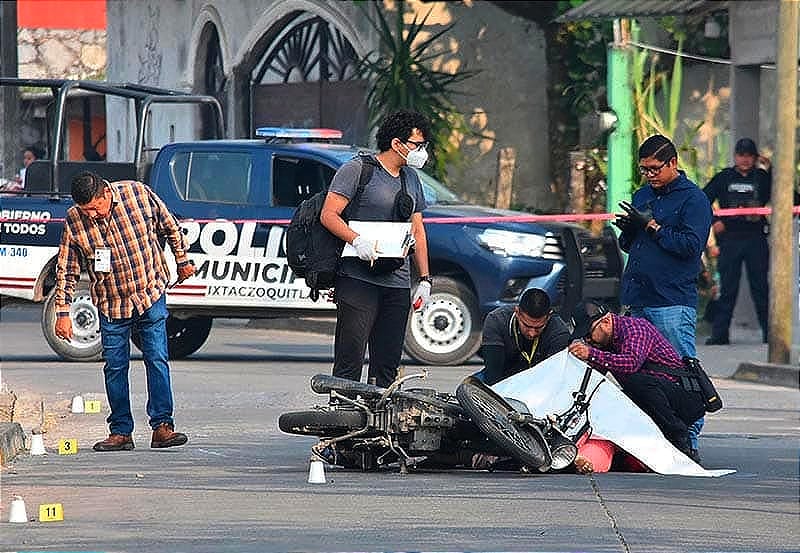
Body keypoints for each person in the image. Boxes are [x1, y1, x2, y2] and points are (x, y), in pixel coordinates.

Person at [53, 171, 195, 452]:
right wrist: (62, 312)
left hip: (149, 291)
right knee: (115, 367)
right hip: (110, 302)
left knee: (156, 358)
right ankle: (120, 431)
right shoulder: (74, 219)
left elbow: (170, 225)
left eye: (95, 208)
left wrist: (183, 261)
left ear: (105, 193)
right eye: (86, 211)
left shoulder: (137, 194)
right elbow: (67, 267)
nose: (92, 215)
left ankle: (162, 426)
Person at [320, 110, 432, 388]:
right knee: (350, 355)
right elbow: (329, 215)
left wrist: (425, 280)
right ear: (397, 144)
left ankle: (380, 420)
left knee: (388, 360)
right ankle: (343, 415)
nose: (422, 152)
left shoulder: (411, 179)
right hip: (359, 278)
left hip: (396, 281)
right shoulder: (358, 170)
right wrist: (357, 240)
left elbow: (417, 230)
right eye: (417, 145)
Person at [614, 135, 711, 453]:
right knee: (640, 372)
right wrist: (629, 230)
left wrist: (653, 227)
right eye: (644, 170)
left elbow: (689, 247)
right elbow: (631, 245)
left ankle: (689, 437)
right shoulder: (643, 194)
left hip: (670, 300)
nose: (650, 176)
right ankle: (655, 436)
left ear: (672, 164)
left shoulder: (693, 200)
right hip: (638, 297)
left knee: (679, 370)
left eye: (655, 169)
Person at [567, 301, 705, 462]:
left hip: (683, 400)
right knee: (611, 395)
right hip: (655, 399)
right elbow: (594, 376)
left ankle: (680, 438)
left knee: (637, 381)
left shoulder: (635, 328)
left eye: (589, 334)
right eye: (585, 339)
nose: (588, 341)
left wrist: (590, 354)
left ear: (605, 322)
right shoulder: (605, 343)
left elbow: (631, 363)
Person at [702, 138, 771, 345]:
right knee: (727, 289)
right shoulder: (725, 177)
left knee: (760, 288)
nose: (745, 159)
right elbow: (702, 199)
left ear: (755, 157)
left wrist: (773, 169)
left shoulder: (762, 177)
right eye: (741, 155)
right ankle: (720, 334)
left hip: (755, 239)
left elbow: (790, 197)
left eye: (749, 155)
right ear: (735, 156)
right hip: (730, 240)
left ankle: (771, 335)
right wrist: (715, 221)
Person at [474, 288, 570, 386]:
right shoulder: (496, 320)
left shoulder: (559, 332)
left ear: (549, 316)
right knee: (469, 387)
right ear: (517, 312)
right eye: (527, 326)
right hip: (504, 375)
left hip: (540, 381)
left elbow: (553, 377)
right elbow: (493, 374)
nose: (532, 333)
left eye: (538, 327)